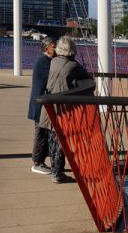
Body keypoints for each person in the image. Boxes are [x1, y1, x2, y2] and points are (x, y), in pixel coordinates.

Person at [40, 35, 93, 184]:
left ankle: (56, 170)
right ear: (72, 50)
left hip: (50, 106)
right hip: (62, 109)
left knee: (53, 140)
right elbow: (87, 77)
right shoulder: (74, 66)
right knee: (61, 141)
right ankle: (57, 173)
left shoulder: (54, 61)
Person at [28, 36, 57, 174]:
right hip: (40, 104)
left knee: (43, 131)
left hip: (41, 102)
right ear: (47, 49)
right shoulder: (44, 62)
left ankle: (40, 160)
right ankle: (37, 162)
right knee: (41, 132)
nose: (57, 49)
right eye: (54, 47)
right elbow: (52, 80)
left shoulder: (46, 61)